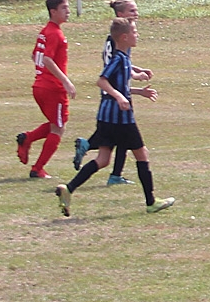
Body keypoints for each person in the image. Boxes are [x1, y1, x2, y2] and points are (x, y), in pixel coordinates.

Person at [55, 17, 175, 215]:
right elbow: (102, 81)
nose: (137, 35)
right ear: (125, 37)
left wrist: (138, 92)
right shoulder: (118, 59)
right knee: (142, 154)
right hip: (120, 119)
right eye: (134, 32)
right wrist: (119, 97)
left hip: (106, 118)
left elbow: (120, 86)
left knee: (103, 159)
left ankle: (68, 189)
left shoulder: (125, 59)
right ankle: (151, 202)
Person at [71, 0, 153, 185]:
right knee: (122, 137)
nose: (136, 13)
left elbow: (124, 63)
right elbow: (113, 68)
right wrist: (133, 79)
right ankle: (90, 147)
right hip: (113, 97)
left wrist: (137, 72)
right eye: (132, 10)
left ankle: (113, 174)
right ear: (120, 14)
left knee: (117, 142)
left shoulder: (124, 38)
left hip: (117, 94)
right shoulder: (117, 40)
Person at [16, 0, 76, 179]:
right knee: (58, 128)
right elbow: (47, 59)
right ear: (53, 11)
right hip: (52, 88)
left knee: (55, 124)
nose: (68, 11)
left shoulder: (45, 31)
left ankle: (28, 138)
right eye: (64, 8)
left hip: (39, 86)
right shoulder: (55, 33)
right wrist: (65, 81)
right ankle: (37, 168)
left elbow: (35, 56)